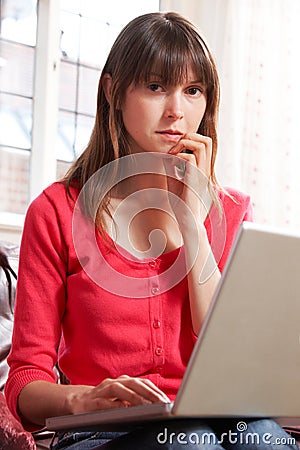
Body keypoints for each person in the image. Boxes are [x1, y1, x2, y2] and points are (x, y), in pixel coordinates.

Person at [5, 11, 297, 450]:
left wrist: (192, 222)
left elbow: (236, 357)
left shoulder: (234, 211)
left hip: (223, 423)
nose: (177, 111)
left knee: (263, 441)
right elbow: (26, 379)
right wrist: (85, 400)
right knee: (191, 443)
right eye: (156, 86)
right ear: (114, 92)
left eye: (193, 90)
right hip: (103, 430)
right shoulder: (56, 211)